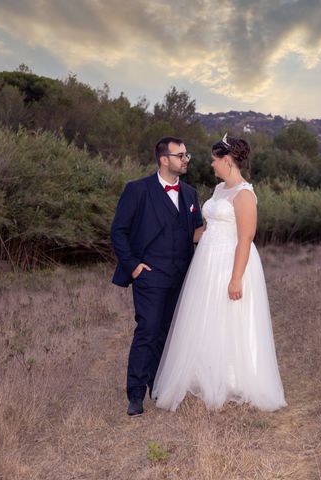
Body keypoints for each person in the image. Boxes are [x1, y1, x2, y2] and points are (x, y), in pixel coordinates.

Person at [152, 134, 286, 412]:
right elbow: (208, 229)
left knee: (231, 317)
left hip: (231, 262)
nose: (211, 165)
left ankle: (234, 380)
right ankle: (203, 375)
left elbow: (245, 238)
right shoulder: (218, 190)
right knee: (206, 316)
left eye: (214, 160)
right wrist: (171, 238)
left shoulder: (245, 194)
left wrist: (236, 278)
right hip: (207, 263)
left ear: (226, 160)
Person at [110, 136, 203, 416]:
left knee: (169, 333)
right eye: (181, 156)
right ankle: (135, 395)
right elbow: (118, 232)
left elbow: (195, 232)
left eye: (187, 155)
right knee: (147, 331)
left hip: (181, 276)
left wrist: (226, 229)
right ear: (164, 159)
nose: (186, 160)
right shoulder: (137, 190)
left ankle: (160, 387)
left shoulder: (190, 193)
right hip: (149, 276)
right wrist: (135, 266)